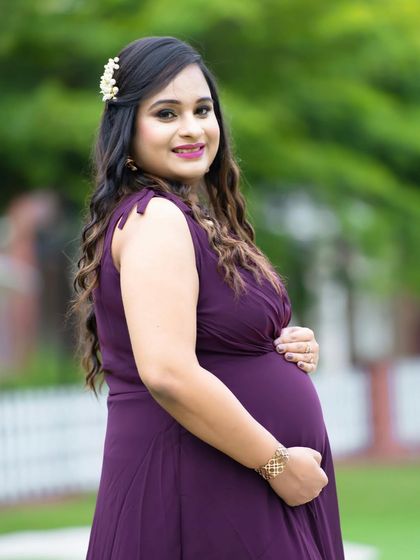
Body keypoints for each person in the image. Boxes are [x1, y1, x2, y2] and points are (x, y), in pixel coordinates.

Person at [71, 36, 345, 559]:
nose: (192, 128)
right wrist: (278, 465)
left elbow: (204, 340)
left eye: (202, 109)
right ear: (126, 130)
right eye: (166, 113)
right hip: (205, 486)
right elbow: (169, 372)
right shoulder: (157, 219)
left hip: (227, 476)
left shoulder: (187, 218)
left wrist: (275, 346)